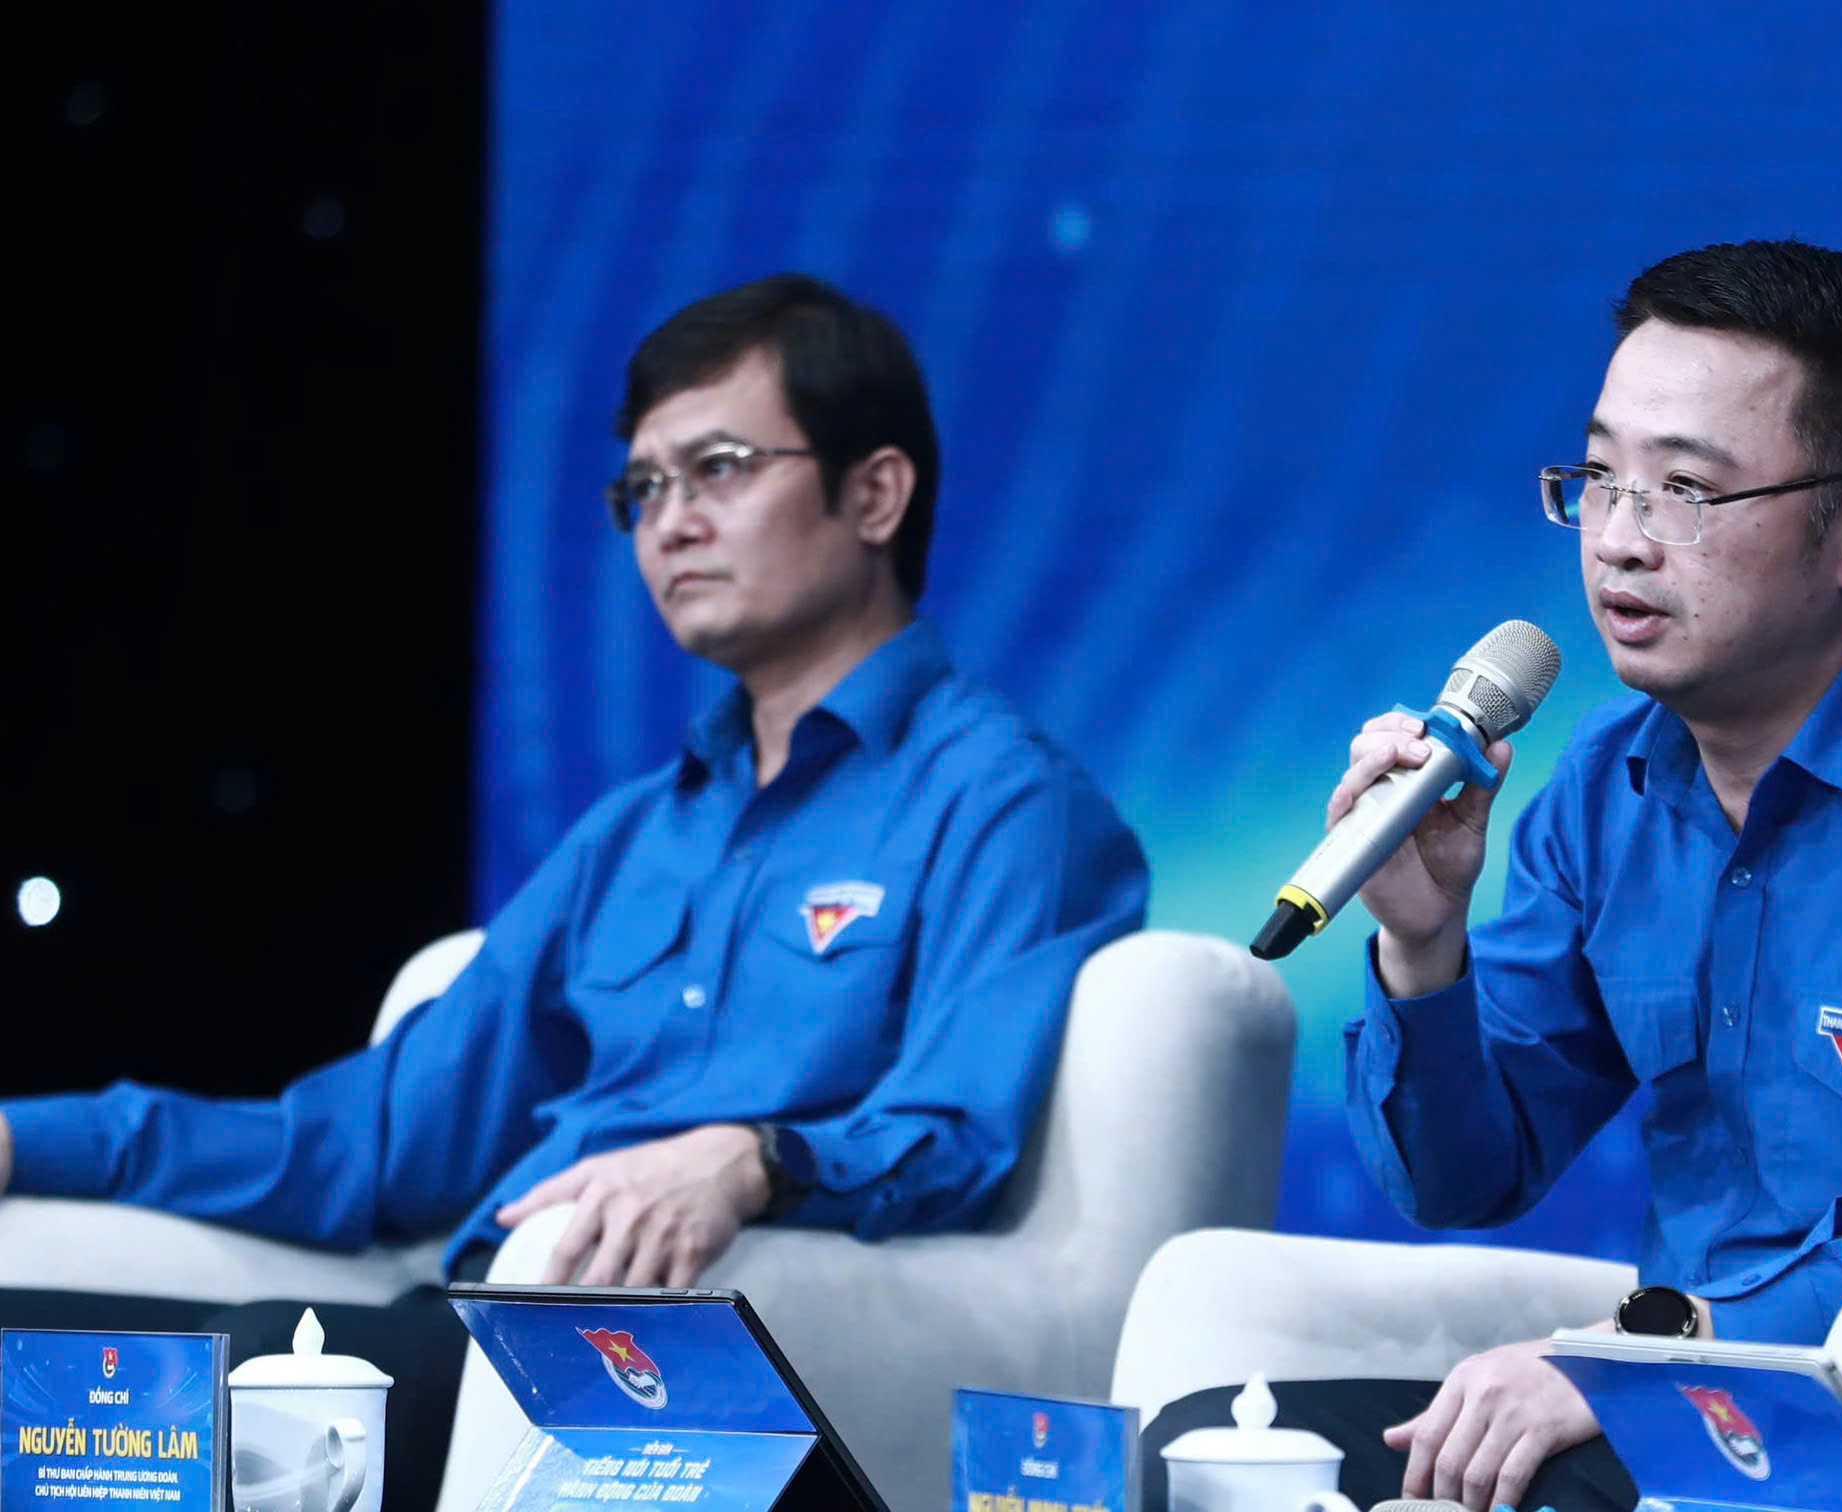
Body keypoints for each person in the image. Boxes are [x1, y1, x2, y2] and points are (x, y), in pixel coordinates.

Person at [0, 273, 1149, 1512]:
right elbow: (366, 1146)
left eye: (718, 469)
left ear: (873, 493)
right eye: (643, 488)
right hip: (475, 1323)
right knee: (44, 1359)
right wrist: (29, 1139)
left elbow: (958, 1132)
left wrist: (752, 1159)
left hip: (635, 1350)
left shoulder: (1004, 801)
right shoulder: (633, 836)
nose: (670, 524)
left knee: (260, 1391)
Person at [1142, 240, 1842, 1512]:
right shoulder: (1606, 785)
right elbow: (1465, 1178)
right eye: (1599, 478)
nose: (1619, 543)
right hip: (1689, 1425)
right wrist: (1423, 943)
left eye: (1686, 491)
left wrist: (1656, 1352)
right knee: (1211, 1459)